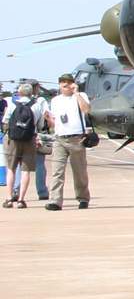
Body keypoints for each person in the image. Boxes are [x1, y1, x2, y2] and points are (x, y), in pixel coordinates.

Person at [44, 72, 91, 210]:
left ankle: (83, 198)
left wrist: (77, 94)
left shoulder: (80, 96)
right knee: (57, 171)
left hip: (76, 138)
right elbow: (55, 122)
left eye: (68, 82)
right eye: (63, 82)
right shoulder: (55, 100)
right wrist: (48, 119)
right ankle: (55, 201)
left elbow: (87, 110)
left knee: (79, 171)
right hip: (60, 137)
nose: (65, 85)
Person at [3, 83, 46, 208]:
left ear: (19, 93)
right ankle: (21, 199)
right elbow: (40, 126)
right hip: (30, 139)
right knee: (25, 171)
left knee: (11, 169)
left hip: (14, 139)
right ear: (32, 94)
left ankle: (9, 198)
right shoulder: (36, 106)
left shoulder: (12, 105)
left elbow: (5, 123)